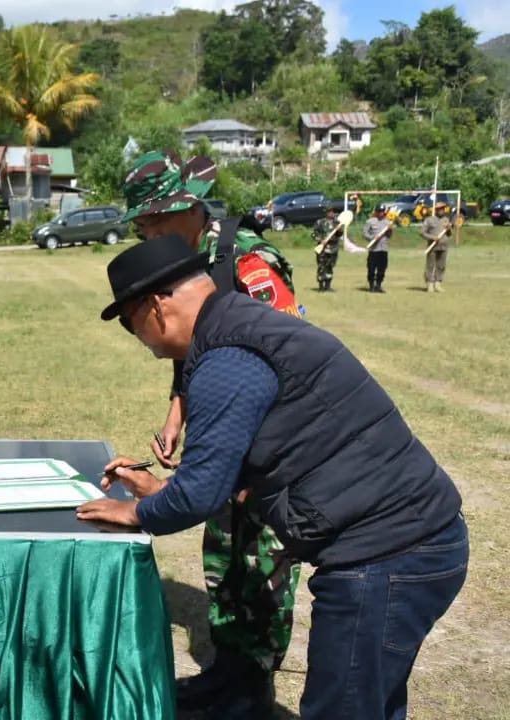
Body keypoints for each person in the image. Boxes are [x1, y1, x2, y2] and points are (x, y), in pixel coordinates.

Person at [80, 235, 468, 720]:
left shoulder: (228, 356)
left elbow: (200, 493)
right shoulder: (240, 325)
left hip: (388, 555)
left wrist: (136, 511)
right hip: (410, 541)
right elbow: (229, 472)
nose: (139, 341)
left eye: (129, 324)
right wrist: (161, 490)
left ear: (156, 306)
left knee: (343, 709)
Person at [119, 149, 300, 718]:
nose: (147, 232)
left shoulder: (248, 263)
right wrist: (178, 411)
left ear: (190, 207)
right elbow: (195, 347)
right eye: (141, 224)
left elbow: (284, 351)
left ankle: (254, 688)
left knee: (262, 563)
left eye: (154, 220)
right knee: (224, 552)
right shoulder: (186, 259)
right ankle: (227, 674)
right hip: (223, 435)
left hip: (267, 444)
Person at [421, 202, 452, 292]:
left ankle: (438, 283)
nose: (441, 210)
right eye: (439, 209)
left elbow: (449, 234)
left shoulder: (446, 219)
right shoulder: (429, 220)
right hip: (433, 246)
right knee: (430, 265)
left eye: (443, 208)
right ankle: (429, 284)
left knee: (441, 265)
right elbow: (422, 233)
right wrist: (432, 237)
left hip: (443, 246)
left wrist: (449, 229)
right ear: (436, 210)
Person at [311, 206, 343, 292]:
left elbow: (340, 234)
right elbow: (313, 234)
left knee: (330, 266)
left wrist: (338, 229)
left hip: (333, 248)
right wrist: (320, 240)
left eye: (332, 211)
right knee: (321, 267)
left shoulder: (337, 223)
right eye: (329, 212)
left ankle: (328, 286)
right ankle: (321, 286)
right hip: (322, 248)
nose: (331, 213)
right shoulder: (320, 222)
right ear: (326, 213)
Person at [363, 204, 393, 293]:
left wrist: (390, 230)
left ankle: (378, 285)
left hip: (383, 249)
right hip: (373, 249)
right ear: (376, 212)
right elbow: (364, 234)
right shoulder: (370, 222)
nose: (381, 213)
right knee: (371, 268)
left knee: (382, 268)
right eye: (379, 211)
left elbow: (389, 236)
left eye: (382, 212)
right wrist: (372, 238)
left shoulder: (387, 222)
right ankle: (371, 285)